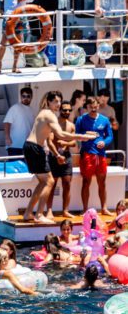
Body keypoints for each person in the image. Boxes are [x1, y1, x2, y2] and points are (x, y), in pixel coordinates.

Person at [22, 91, 95, 224]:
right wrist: (83, 137)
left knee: (43, 182)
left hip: (30, 147)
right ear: (49, 101)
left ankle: (28, 213)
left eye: (59, 101)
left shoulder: (44, 112)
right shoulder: (49, 114)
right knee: (49, 181)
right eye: (55, 101)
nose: (58, 104)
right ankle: (39, 214)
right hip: (34, 148)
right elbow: (61, 134)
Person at [76, 96, 113, 215]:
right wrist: (86, 134)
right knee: (86, 182)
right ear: (86, 107)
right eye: (91, 107)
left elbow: (110, 136)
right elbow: (76, 135)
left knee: (102, 182)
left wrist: (105, 142)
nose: (93, 109)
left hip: (101, 155)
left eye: (95, 107)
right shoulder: (81, 119)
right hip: (87, 155)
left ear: (98, 106)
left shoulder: (105, 120)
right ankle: (85, 209)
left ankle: (104, 208)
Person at [91, 0, 128, 69]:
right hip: (103, 10)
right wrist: (97, 6)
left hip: (117, 11)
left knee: (115, 37)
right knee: (101, 35)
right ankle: (101, 62)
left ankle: (96, 55)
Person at [45, 99, 77, 218]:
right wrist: (57, 154)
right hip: (54, 156)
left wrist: (65, 143)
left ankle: (65, 210)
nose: (67, 112)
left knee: (67, 183)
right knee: (52, 184)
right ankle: (49, 210)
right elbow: (50, 142)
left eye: (69, 110)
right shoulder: (54, 123)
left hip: (67, 157)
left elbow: (74, 143)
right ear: (60, 110)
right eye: (65, 110)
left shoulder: (71, 125)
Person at [3, 87, 34, 156]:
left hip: (27, 146)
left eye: (28, 96)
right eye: (23, 96)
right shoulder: (15, 107)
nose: (26, 98)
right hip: (15, 145)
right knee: (14, 166)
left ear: (31, 97)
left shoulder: (31, 110)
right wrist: (7, 138)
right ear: (20, 97)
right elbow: (6, 123)